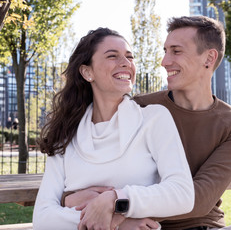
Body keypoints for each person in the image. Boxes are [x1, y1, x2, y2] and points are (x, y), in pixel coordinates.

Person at [64, 16, 231, 230]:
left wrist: (118, 207)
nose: (164, 61)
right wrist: (74, 200)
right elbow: (89, 175)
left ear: (209, 58)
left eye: (176, 51)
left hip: (200, 226)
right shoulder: (139, 108)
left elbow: (198, 200)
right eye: (165, 51)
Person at [32, 27, 195, 230]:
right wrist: (120, 223)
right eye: (112, 56)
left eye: (129, 57)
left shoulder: (154, 119)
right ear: (87, 72)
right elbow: (43, 218)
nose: (126, 63)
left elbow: (182, 195)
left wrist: (115, 199)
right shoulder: (65, 134)